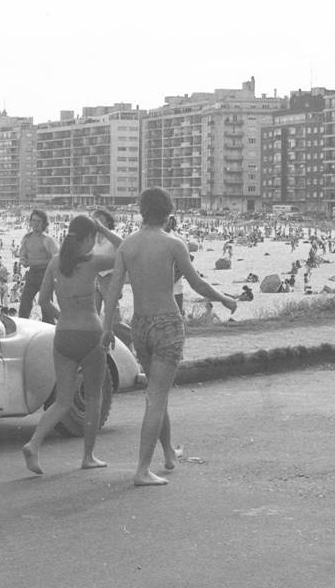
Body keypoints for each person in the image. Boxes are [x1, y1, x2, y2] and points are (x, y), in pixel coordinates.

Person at [102, 188, 237, 486]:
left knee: (156, 394)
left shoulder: (127, 245)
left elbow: (113, 289)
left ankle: (168, 454)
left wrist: (107, 326)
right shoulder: (173, 243)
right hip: (166, 325)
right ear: (168, 212)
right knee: (156, 399)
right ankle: (141, 470)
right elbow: (197, 284)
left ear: (141, 210)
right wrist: (225, 298)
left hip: (140, 325)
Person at [22, 214, 121, 475]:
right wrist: (103, 228)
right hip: (91, 334)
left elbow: (42, 302)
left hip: (64, 334)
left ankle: (33, 443)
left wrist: (62, 317)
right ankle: (88, 456)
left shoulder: (55, 263)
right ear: (87, 238)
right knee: (93, 397)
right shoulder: (92, 262)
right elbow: (124, 251)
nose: (94, 243)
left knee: (63, 401)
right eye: (93, 238)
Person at [18, 209, 59, 324]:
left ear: (44, 223)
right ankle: (23, 327)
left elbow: (57, 258)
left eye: (38, 221)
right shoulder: (27, 238)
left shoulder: (47, 240)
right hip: (32, 274)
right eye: (33, 220)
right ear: (30, 222)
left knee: (46, 305)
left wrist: (36, 262)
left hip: (46, 275)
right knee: (25, 304)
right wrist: (23, 261)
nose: (35, 223)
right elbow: (23, 255)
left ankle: (50, 329)